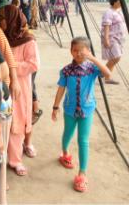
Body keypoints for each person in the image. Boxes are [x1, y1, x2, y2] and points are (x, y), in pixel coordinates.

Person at [51, 37, 111, 193]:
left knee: (83, 140)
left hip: (87, 110)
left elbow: (108, 74)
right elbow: (61, 89)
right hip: (70, 110)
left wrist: (92, 58)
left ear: (88, 51)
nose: (78, 53)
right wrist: (55, 107)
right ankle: (65, 153)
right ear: (70, 51)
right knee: (68, 134)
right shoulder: (66, 71)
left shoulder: (92, 69)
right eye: (75, 50)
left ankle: (82, 173)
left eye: (82, 50)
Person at [1, 5, 40, 176]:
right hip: (4, 84)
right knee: (4, 120)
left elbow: (33, 64)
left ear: (11, 20)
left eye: (3, 19)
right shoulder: (2, 38)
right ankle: (5, 157)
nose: (1, 22)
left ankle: (15, 160)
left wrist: (11, 66)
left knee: (17, 121)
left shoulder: (28, 40)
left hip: (21, 86)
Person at [101, 0, 126, 85]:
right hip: (112, 38)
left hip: (119, 38)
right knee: (116, 57)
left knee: (115, 57)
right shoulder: (109, 12)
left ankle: (107, 77)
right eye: (120, 0)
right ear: (115, 1)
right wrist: (106, 39)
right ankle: (102, 72)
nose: (121, 2)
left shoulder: (119, 11)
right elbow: (106, 26)